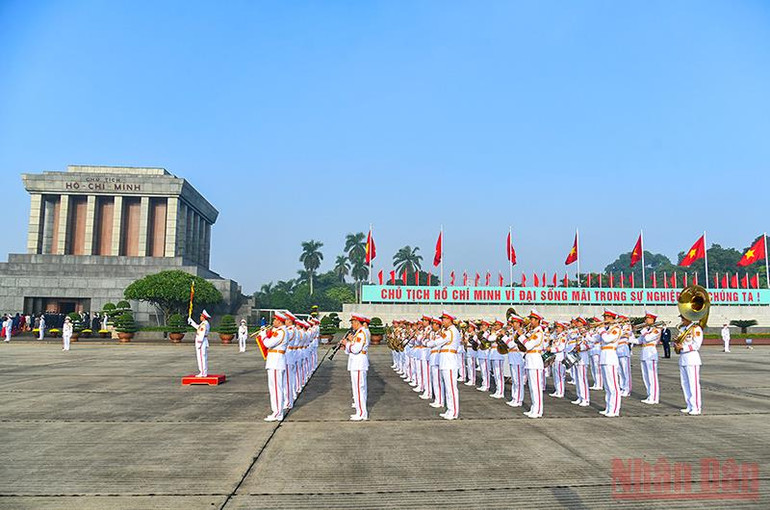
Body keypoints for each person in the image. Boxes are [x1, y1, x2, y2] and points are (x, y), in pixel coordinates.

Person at [260, 311, 289, 421]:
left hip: (276, 361)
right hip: (274, 361)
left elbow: (268, 344)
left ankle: (277, 413)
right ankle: (276, 412)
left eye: (274, 320)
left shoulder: (281, 332)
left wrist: (263, 334)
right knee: (274, 388)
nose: (273, 322)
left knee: (277, 389)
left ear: (279, 321)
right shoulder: (279, 331)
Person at [341, 314, 370, 421]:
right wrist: (347, 345)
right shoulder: (358, 333)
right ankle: (360, 411)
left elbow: (356, 349)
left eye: (353, 322)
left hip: (358, 363)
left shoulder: (361, 333)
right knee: (358, 389)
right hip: (356, 363)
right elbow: (351, 349)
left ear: (357, 322)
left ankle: (361, 413)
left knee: (358, 389)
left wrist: (347, 343)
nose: (352, 325)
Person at [519, 309, 545, 418]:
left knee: (536, 387)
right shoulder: (533, 332)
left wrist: (521, 336)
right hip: (530, 360)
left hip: (535, 361)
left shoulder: (538, 333)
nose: (530, 321)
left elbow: (529, 346)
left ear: (538, 320)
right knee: (531, 386)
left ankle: (538, 410)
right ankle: (534, 408)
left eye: (532, 319)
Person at [597, 309, 622, 418]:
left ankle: (615, 409)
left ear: (612, 318)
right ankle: (608, 407)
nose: (605, 319)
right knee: (607, 386)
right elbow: (594, 339)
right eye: (604, 317)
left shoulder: (616, 329)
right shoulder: (606, 329)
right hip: (604, 357)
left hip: (611, 357)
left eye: (607, 317)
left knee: (613, 386)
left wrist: (601, 329)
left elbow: (607, 339)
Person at [677, 315, 703, 415]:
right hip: (683, 358)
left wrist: (683, 348)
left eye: (683, 318)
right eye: (682, 318)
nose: (682, 320)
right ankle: (689, 405)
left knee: (693, 384)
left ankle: (696, 407)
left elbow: (697, 345)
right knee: (685, 384)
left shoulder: (696, 329)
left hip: (692, 358)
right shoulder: (683, 329)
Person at [632, 312, 661, 404]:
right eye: (645, 318)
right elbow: (638, 341)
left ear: (653, 320)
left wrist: (643, 330)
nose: (645, 320)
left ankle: (654, 397)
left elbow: (648, 338)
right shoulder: (646, 330)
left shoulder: (656, 330)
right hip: (644, 353)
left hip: (651, 353)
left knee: (652, 377)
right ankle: (649, 395)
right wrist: (625, 337)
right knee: (646, 376)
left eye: (648, 318)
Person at [188, 310, 211, 377]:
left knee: (201, 358)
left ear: (203, 317)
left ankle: (203, 373)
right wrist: (191, 322)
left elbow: (201, 334)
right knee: (202, 357)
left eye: (201, 316)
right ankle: (203, 372)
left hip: (201, 342)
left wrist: (199, 343)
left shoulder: (204, 324)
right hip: (203, 341)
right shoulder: (204, 323)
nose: (200, 317)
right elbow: (198, 327)